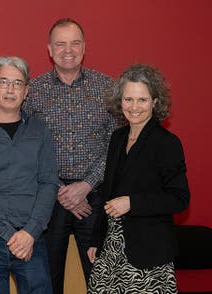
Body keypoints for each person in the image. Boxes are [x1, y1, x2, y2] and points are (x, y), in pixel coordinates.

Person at [23, 18, 119, 293]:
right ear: (49, 50)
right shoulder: (33, 91)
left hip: (96, 199)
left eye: (75, 43)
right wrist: (61, 191)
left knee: (100, 278)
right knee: (46, 280)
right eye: (60, 43)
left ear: (84, 47)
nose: (68, 49)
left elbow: (117, 146)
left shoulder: (107, 88)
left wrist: (86, 185)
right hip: (48, 199)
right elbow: (26, 149)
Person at [87, 64, 190, 293]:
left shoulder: (167, 143)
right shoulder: (117, 137)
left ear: (155, 102)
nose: (134, 107)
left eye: (142, 100)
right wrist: (97, 239)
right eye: (128, 99)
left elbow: (179, 198)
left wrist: (132, 202)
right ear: (119, 101)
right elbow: (107, 193)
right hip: (110, 248)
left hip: (147, 253)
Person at [0, 56, 59, 294]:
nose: (10, 89)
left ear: (26, 91)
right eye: (3, 81)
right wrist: (11, 235)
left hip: (31, 238)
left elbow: (48, 184)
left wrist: (28, 233)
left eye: (17, 83)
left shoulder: (40, 130)